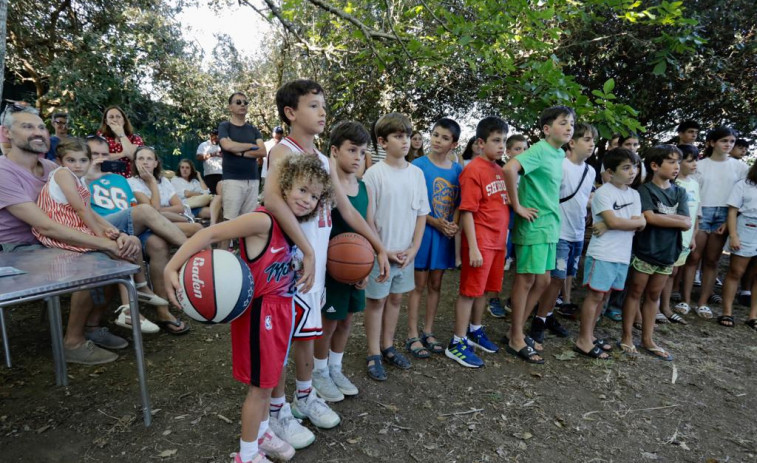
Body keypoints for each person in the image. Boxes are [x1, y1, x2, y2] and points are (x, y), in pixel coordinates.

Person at [165, 153, 333, 463]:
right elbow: (209, 233)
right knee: (260, 388)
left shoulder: (291, 226)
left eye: (315, 196)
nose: (308, 200)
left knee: (271, 378)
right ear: (283, 187)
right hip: (261, 314)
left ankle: (263, 431)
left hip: (281, 312)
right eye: (302, 190)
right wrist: (171, 268)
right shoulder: (263, 219)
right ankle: (247, 454)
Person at [263, 79, 389, 449]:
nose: (322, 112)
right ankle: (276, 410)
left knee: (306, 336)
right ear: (290, 113)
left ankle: (304, 397)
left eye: (323, 105)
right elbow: (272, 201)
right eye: (313, 106)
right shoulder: (281, 153)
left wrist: (377, 247)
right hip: (290, 264)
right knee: (281, 344)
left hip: (312, 266)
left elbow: (345, 208)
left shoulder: (321, 159)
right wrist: (309, 250)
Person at [0, 107, 139, 364]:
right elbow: (46, 227)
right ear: (6, 133)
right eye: (28, 127)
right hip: (18, 249)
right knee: (93, 258)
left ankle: (93, 326)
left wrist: (114, 234)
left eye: (41, 127)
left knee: (122, 241)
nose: (38, 132)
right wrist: (102, 242)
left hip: (57, 236)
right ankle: (72, 342)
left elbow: (83, 206)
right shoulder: (3, 172)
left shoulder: (52, 166)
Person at [33, 137, 164, 335]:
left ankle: (140, 288)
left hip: (76, 225)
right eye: (71, 160)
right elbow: (79, 209)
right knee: (120, 248)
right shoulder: (62, 174)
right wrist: (102, 238)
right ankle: (130, 307)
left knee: (132, 240)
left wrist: (111, 230)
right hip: (61, 231)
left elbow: (90, 212)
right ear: (61, 161)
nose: (78, 165)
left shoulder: (79, 181)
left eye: (83, 160)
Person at [85, 135, 190, 335]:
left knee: (158, 244)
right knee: (145, 210)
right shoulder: (80, 178)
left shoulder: (118, 179)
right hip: (103, 226)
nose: (100, 159)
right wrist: (89, 175)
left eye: (104, 154)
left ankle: (162, 310)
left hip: (129, 226)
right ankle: (193, 253)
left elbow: (131, 208)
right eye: (94, 155)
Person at [502, 106, 575, 364]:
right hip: (534, 225)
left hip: (549, 226)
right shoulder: (539, 150)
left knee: (543, 282)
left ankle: (516, 330)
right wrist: (516, 205)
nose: (569, 128)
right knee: (525, 280)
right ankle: (515, 338)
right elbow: (510, 169)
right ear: (546, 129)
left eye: (571, 124)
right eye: (563, 123)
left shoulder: (557, 154)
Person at [361, 112, 429, 379]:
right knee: (376, 301)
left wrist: (414, 248)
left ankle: (388, 346)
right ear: (382, 141)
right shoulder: (374, 175)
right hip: (382, 253)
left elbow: (422, 214)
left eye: (407, 136)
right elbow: (368, 219)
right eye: (398, 136)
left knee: (396, 298)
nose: (405, 141)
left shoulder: (417, 174)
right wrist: (382, 251)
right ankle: (373, 353)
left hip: (406, 253)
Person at [311, 121, 372, 402]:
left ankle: (335, 367)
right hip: (332, 266)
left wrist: (368, 265)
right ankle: (318, 371)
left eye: (362, 152)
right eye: (351, 150)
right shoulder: (326, 185)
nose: (357, 157)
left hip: (355, 268)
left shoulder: (363, 188)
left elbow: (369, 227)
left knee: (347, 320)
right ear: (334, 151)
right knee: (329, 321)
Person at [445, 116, 508, 368]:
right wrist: (472, 247)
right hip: (480, 242)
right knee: (469, 291)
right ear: (480, 143)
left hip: (497, 242)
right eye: (496, 140)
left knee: (483, 291)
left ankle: (475, 330)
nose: (501, 145)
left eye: (504, 140)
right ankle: (457, 341)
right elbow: (468, 211)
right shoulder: (473, 171)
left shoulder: (499, 169)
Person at [621, 145, 690, 361]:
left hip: (668, 253)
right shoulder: (645, 190)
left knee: (654, 296)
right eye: (671, 161)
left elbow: (687, 222)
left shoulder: (680, 191)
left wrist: (663, 218)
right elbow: (649, 218)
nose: (676, 166)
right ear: (654, 165)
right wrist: (674, 220)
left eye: (678, 162)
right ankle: (627, 337)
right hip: (645, 251)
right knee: (635, 293)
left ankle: (648, 340)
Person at [577, 148, 644, 358]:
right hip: (603, 253)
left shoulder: (634, 194)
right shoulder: (603, 193)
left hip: (622, 254)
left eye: (634, 167)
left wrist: (616, 224)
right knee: (595, 294)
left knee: (604, 296)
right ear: (610, 172)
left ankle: (591, 335)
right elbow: (621, 221)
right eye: (626, 168)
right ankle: (583, 339)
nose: (632, 172)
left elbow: (641, 223)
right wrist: (616, 223)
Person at [532, 123, 597, 333]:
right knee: (555, 278)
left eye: (593, 140)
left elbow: (584, 199)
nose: (592, 144)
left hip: (577, 233)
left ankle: (548, 314)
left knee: (565, 277)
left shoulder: (590, 171)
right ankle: (539, 321)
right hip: (558, 231)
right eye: (586, 139)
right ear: (572, 142)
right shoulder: (560, 165)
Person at [407, 118, 462, 360]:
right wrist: (434, 221)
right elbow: (414, 204)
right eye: (435, 135)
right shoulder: (417, 165)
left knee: (436, 284)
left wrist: (453, 224)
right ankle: (412, 333)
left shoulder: (458, 170)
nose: (438, 140)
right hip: (425, 231)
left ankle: (428, 330)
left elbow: (460, 203)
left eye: (444, 137)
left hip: (444, 236)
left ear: (454, 144)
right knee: (418, 284)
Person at [689, 127, 744, 318]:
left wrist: (731, 222)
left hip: (724, 215)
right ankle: (685, 300)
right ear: (712, 143)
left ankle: (703, 302)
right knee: (694, 257)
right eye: (724, 141)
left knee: (712, 260)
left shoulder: (740, 167)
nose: (728, 145)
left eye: (731, 141)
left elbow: (742, 197)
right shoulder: (700, 165)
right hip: (702, 212)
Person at [489, 133, 529, 317]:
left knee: (520, 263)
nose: (522, 152)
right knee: (501, 260)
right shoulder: (504, 171)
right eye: (517, 149)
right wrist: (518, 205)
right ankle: (493, 299)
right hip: (507, 220)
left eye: (525, 149)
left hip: (524, 222)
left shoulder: (529, 172)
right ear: (508, 152)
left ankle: (513, 300)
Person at [660, 144, 699, 322]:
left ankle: (665, 306)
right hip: (670, 237)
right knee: (665, 272)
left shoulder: (695, 185)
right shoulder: (672, 184)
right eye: (690, 161)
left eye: (695, 161)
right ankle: (656, 305)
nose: (694, 165)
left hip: (686, 237)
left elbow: (695, 213)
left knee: (674, 272)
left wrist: (693, 236)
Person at [128, 146, 203, 237]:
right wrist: (152, 182)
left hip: (169, 220)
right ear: (135, 162)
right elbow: (152, 212)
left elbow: (180, 207)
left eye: (149, 159)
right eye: (141, 158)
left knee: (198, 228)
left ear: (155, 164)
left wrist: (161, 212)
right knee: (197, 228)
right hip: (149, 226)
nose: (145, 162)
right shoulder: (131, 182)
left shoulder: (164, 181)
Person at [718, 160, 757, 329]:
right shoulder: (744, 184)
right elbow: (732, 211)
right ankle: (727, 312)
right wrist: (733, 235)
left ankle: (753, 315)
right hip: (747, 226)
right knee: (736, 271)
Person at [219, 92, 266, 225]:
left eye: (245, 102)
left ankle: (244, 247)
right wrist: (251, 146)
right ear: (230, 107)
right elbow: (226, 145)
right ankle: (223, 247)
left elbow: (262, 151)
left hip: (253, 180)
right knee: (228, 223)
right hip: (232, 180)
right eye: (238, 102)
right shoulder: (225, 126)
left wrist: (240, 152)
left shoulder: (253, 129)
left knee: (248, 223)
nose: (243, 105)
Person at [96, 106, 144, 178]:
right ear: (106, 122)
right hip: (105, 178)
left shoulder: (135, 138)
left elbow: (134, 157)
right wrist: (123, 153)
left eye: (118, 117)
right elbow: (98, 157)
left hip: (130, 180)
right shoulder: (101, 137)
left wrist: (121, 134)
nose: (115, 120)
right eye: (111, 117)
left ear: (124, 120)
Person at [171, 158, 220, 225]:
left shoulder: (194, 182)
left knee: (217, 202)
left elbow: (206, 191)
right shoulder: (176, 179)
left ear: (191, 170)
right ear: (179, 169)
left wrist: (199, 177)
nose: (184, 170)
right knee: (215, 212)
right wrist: (200, 194)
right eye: (182, 167)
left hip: (199, 206)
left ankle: (213, 225)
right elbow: (187, 194)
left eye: (187, 168)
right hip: (187, 208)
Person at [196, 129, 223, 194]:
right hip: (210, 174)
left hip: (222, 174)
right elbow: (198, 157)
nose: (216, 139)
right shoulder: (204, 145)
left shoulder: (222, 145)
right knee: (211, 195)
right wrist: (212, 154)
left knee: (222, 195)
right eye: (214, 137)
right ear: (211, 136)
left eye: (217, 138)